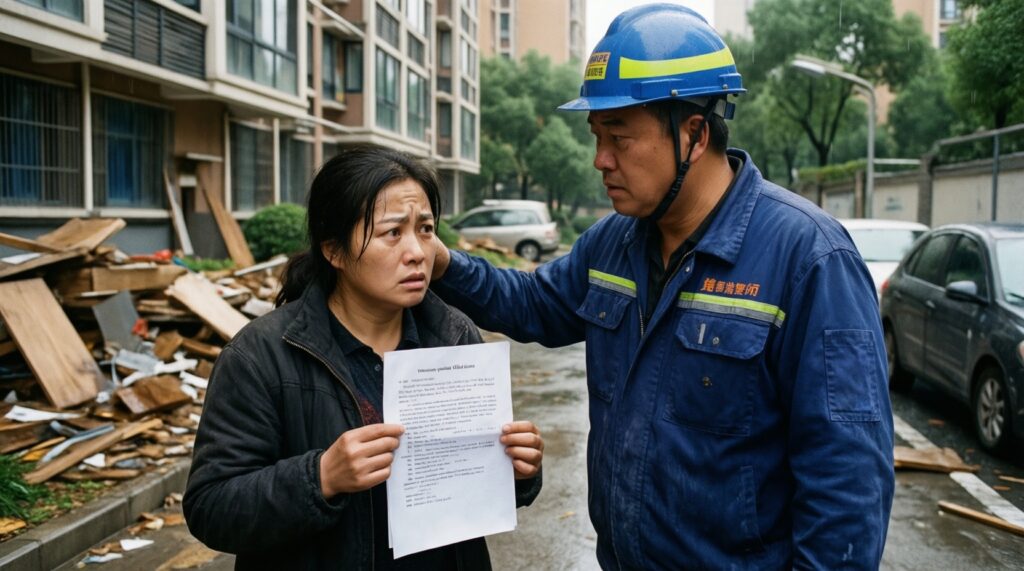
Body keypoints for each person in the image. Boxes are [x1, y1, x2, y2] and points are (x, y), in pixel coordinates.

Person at [430, 4, 894, 569]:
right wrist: (442, 263)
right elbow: (533, 305)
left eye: (619, 137)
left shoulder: (810, 259)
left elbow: (846, 489)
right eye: (596, 135)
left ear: (694, 134)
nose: (601, 160)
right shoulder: (614, 245)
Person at [184, 145, 543, 570]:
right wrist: (320, 478)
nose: (416, 252)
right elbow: (211, 508)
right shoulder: (261, 356)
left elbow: (475, 486)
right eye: (393, 233)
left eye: (426, 229)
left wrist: (519, 472)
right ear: (333, 250)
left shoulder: (454, 335)